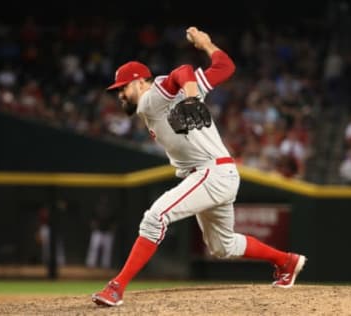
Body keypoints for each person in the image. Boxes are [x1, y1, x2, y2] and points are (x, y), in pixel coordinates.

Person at [92, 26, 307, 307]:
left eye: (123, 87)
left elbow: (182, 71)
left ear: (140, 82)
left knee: (155, 217)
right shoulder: (169, 96)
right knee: (223, 246)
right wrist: (207, 44)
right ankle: (286, 261)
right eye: (117, 90)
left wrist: (191, 97)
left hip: (211, 173)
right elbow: (225, 66)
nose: (120, 94)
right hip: (218, 174)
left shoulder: (150, 98)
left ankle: (116, 287)